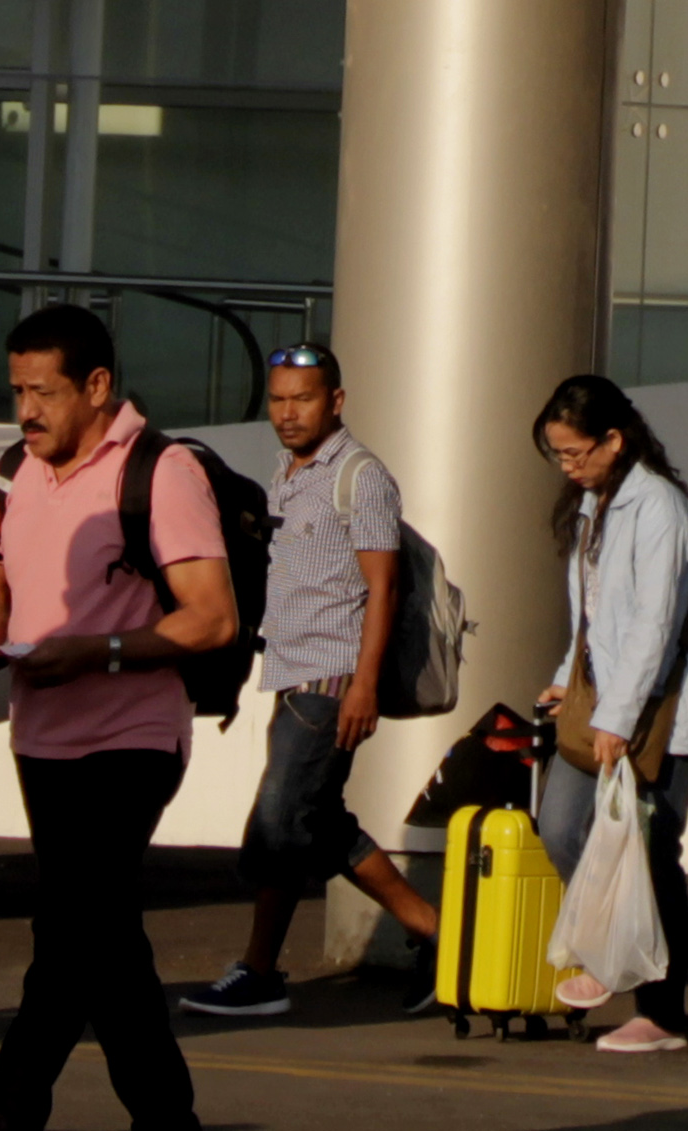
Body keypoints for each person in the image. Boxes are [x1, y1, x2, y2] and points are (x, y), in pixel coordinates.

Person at [0, 305, 235, 1131]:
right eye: (16, 391)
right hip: (42, 736)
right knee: (100, 937)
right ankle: (167, 1117)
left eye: (42, 391)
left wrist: (97, 652)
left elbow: (211, 617)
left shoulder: (161, 469)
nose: (25, 411)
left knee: (69, 934)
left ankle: (2, 1119)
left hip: (133, 736)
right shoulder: (14, 470)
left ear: (98, 385)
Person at [180, 345, 437, 1019]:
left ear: (336, 401)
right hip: (291, 674)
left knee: (279, 819)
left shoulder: (361, 475)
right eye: (278, 399)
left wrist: (364, 685)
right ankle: (443, 937)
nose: (288, 413)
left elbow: (383, 588)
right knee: (313, 820)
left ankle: (261, 971)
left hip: (333, 678)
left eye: (303, 398)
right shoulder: (287, 473)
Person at [529, 374, 688, 1056]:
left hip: (657, 705)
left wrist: (618, 716)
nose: (568, 466)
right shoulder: (593, 504)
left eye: (577, 452)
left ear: (615, 438)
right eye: (559, 454)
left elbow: (654, 624)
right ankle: (616, 950)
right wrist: (561, 682)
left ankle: (662, 1012)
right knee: (562, 826)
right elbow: (595, 615)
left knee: (653, 847)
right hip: (606, 699)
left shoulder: (659, 506)